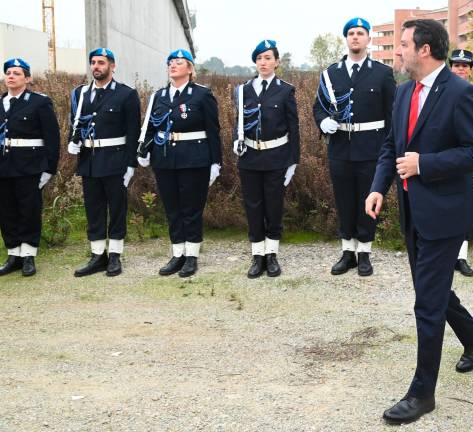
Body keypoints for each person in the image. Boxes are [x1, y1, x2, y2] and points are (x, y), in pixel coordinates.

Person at [365, 19, 473, 424]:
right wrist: (377, 187)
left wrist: (425, 164)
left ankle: (422, 394)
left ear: (424, 49)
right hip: (411, 210)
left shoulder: (463, 94)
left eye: (402, 44)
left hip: (445, 214)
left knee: (427, 302)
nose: (396, 51)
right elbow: (391, 145)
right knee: (430, 289)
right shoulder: (404, 93)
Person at [313, 17, 396, 277]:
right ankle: (347, 252)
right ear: (346, 39)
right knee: (344, 201)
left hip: (371, 149)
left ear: (369, 38)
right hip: (340, 148)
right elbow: (319, 106)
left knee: (368, 202)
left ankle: (365, 254)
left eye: (360, 33)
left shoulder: (382, 73)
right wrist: (323, 121)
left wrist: (389, 149)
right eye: (351, 33)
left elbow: (391, 114)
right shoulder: (331, 73)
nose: (355, 37)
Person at [137, 49, 222, 278]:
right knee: (172, 208)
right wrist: (144, 149)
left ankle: (192, 255)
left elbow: (213, 131)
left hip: (195, 159)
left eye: (179, 62)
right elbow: (150, 126)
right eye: (170, 63)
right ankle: (177, 254)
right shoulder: (159, 96)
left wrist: (216, 162)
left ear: (190, 68)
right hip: (164, 158)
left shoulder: (202, 95)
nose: (173, 66)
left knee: (191, 208)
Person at [67, 48, 141, 277]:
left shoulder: (126, 94)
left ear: (112, 66)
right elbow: (77, 122)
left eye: (101, 62)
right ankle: (98, 255)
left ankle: (115, 255)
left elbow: (133, 132)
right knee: (94, 209)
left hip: (115, 160)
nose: (96, 66)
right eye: (93, 62)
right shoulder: (80, 94)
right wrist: (72, 140)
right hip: (90, 161)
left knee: (117, 209)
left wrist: (131, 165)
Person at [233, 40, 300, 278]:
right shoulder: (243, 90)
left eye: (268, 58)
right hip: (250, 157)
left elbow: (294, 127)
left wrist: (293, 161)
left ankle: (271, 254)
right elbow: (238, 121)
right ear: (255, 62)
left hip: (276, 157)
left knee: (273, 206)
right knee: (252, 206)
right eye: (260, 58)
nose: (264, 62)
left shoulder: (285, 90)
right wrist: (235, 140)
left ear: (277, 62)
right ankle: (257, 255)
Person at [0, 58, 60, 277]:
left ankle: (28, 256)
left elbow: (52, 138)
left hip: (29, 167)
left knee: (29, 211)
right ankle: (13, 255)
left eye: (16, 73)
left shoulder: (39, 103)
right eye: (8, 72)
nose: (11, 76)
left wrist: (49, 169)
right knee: (6, 212)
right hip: (4, 167)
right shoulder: (1, 102)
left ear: (27, 78)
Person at [447, 48, 473, 277]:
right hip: (444, 157)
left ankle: (461, 257)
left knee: (466, 209)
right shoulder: (439, 92)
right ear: (450, 67)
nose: (460, 69)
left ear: (470, 70)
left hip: (469, 158)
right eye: (457, 65)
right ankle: (446, 254)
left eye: (465, 66)